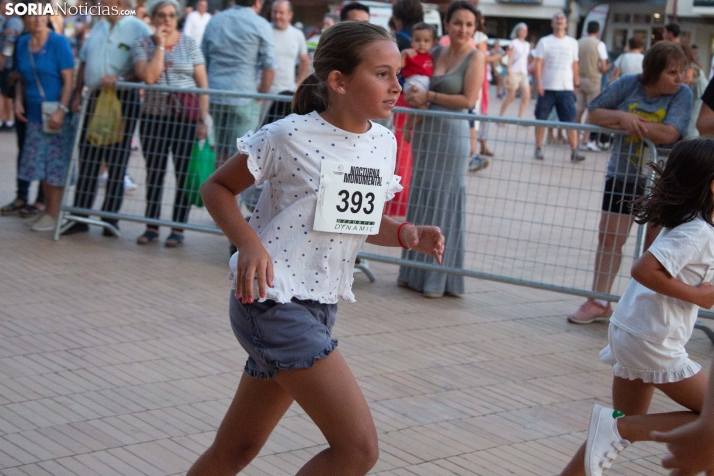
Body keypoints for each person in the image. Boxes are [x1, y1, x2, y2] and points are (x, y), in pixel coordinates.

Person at [185, 21, 445, 475]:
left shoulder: (383, 142)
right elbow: (216, 188)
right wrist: (247, 244)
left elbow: (353, 220)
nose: (397, 86)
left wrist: (404, 234)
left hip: (321, 303)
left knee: (236, 449)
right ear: (338, 81)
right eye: (382, 74)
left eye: (398, 74)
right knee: (358, 449)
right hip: (271, 300)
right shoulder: (287, 135)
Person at [559, 138, 714, 476]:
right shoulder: (697, 231)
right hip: (651, 339)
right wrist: (699, 297)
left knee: (615, 426)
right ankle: (621, 429)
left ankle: (616, 431)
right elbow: (643, 269)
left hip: (634, 332)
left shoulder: (689, 223)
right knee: (707, 423)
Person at [568, 41, 693, 324]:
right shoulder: (628, 84)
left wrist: (629, 126)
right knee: (610, 237)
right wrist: (622, 117)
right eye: (672, 72)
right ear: (653, 72)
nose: (679, 78)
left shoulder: (682, 94)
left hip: (663, 180)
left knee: (656, 245)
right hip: (623, 174)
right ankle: (599, 300)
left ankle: (645, 308)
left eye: (681, 71)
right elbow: (594, 112)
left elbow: (671, 132)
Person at [398, 1, 485, 298]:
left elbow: (467, 100)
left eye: (469, 24)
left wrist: (429, 95)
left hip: (452, 136)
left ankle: (438, 279)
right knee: (421, 198)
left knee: (446, 203)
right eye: (458, 22)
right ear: (446, 24)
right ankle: (413, 274)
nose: (463, 29)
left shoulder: (476, 57)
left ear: (475, 28)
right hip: (426, 133)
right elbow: (412, 81)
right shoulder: (434, 51)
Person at [61, 0, 152, 237]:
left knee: (116, 158)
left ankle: (110, 219)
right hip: (94, 97)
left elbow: (147, 68)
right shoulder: (99, 26)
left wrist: (122, 79)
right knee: (88, 157)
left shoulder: (138, 28)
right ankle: (79, 217)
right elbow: (84, 61)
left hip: (122, 98)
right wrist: (77, 94)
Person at [131, 0, 209, 247]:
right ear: (153, 18)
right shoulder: (142, 44)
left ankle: (178, 228)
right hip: (154, 118)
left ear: (178, 18)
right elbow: (149, 76)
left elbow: (202, 85)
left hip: (184, 120)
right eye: (162, 15)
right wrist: (161, 47)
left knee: (183, 174)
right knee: (154, 174)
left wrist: (202, 120)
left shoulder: (190, 44)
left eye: (172, 16)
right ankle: (151, 226)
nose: (166, 20)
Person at [202, 0, 275, 224]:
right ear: (258, 2)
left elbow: (203, 57)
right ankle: (230, 214)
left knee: (222, 154)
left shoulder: (216, 20)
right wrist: (261, 94)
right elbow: (269, 64)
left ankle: (221, 209)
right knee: (245, 158)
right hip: (244, 95)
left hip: (215, 92)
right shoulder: (260, 24)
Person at [14, 5, 74, 232]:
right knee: (40, 163)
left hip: (55, 112)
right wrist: (19, 101)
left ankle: (54, 213)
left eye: (42, 13)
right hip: (34, 112)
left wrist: (61, 109)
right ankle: (48, 210)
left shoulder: (58, 42)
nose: (38, 18)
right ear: (24, 18)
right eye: (31, 14)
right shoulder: (22, 44)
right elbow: (21, 77)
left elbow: (69, 80)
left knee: (55, 165)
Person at [532, 12, 585, 163]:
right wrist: (539, 83)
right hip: (547, 87)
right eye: (557, 18)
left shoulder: (572, 43)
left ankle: (574, 151)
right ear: (552, 23)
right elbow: (538, 63)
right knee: (541, 119)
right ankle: (538, 148)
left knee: (570, 121)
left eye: (562, 19)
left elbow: (575, 64)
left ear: (566, 24)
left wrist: (576, 83)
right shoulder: (544, 41)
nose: (560, 20)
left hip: (566, 88)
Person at [651, 356, 714, 475]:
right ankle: (618, 426)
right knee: (622, 428)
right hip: (658, 348)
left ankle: (616, 425)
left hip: (637, 345)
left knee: (622, 426)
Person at [576, 21, 609, 151]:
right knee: (591, 112)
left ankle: (575, 137)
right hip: (593, 80)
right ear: (598, 31)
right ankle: (585, 140)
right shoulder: (599, 44)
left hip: (579, 79)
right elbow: (603, 67)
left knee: (579, 110)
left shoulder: (578, 43)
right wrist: (603, 70)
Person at [400, 22, 435, 135]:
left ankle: (408, 128)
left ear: (433, 43)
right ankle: (407, 128)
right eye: (417, 40)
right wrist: (403, 54)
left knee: (420, 111)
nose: (421, 44)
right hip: (413, 84)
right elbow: (398, 67)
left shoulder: (430, 56)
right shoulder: (411, 54)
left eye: (426, 41)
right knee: (423, 110)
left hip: (424, 86)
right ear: (411, 41)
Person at [269, 0, 308, 95]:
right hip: (265, 92)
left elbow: (305, 61)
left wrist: (298, 84)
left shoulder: (297, 35)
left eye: (281, 13)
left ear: (290, 15)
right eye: (275, 12)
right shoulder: (264, 30)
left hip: (287, 91)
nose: (277, 16)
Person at [498, 22, 531, 121]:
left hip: (523, 72)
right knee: (511, 96)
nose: (524, 32)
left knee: (526, 96)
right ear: (517, 31)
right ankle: (501, 116)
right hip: (513, 72)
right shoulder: (514, 43)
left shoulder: (527, 44)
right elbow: (510, 58)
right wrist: (508, 73)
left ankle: (520, 117)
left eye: (526, 30)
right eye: (522, 30)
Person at [0, 0, 22, 131]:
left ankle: (7, 120)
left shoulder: (14, 22)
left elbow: (10, 42)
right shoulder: (6, 22)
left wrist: (2, 59)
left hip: (7, 63)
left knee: (5, 92)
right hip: (6, 62)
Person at [683, 44, 708, 139]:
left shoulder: (691, 67)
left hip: (697, 96)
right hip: (700, 95)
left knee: (693, 120)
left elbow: (687, 81)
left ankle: (691, 140)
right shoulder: (696, 65)